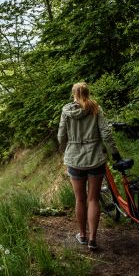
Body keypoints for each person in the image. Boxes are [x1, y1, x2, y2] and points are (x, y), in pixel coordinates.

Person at [57, 82, 121, 251]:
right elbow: (106, 133)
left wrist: (65, 150)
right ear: (88, 93)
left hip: (75, 159)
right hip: (95, 158)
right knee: (93, 199)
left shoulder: (66, 112)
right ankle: (93, 239)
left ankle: (83, 236)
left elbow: (61, 135)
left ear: (73, 94)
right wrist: (115, 153)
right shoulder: (95, 108)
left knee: (80, 199)